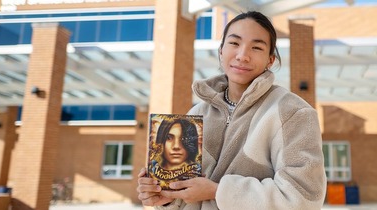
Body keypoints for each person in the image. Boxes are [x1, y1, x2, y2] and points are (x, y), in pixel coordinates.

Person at [137, 11, 326, 210]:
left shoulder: (292, 112)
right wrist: (165, 197)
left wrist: (217, 191)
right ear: (221, 51)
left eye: (256, 47)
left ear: (270, 60)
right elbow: (186, 196)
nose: (242, 55)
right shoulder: (197, 113)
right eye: (234, 43)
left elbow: (303, 198)